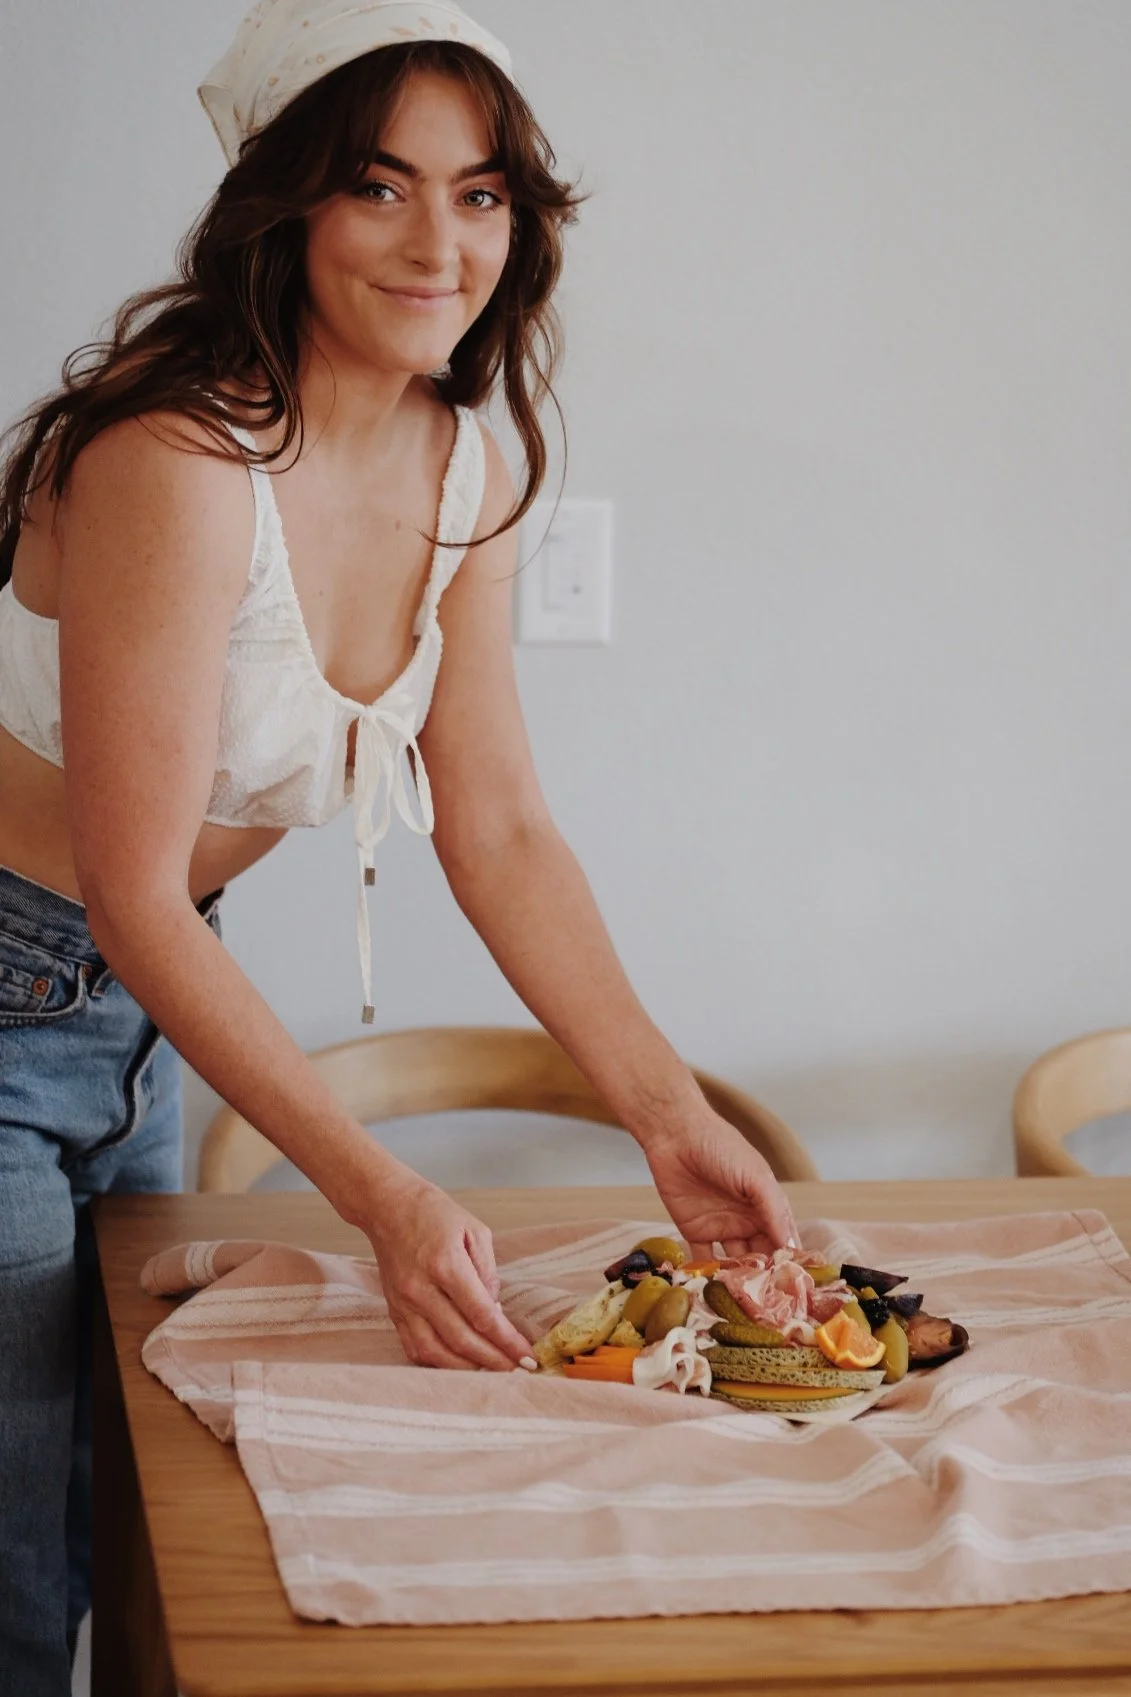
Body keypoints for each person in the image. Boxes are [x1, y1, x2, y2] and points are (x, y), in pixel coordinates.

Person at [0, 3, 800, 1691]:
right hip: (45, 974)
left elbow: (498, 825)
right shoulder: (176, 458)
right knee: (18, 1566)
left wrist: (672, 1115)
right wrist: (377, 1192)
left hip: (137, 1007)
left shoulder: (468, 464)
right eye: (380, 188)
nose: (442, 244)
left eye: (484, 193)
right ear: (281, 207)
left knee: (128, 1522)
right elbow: (131, 884)